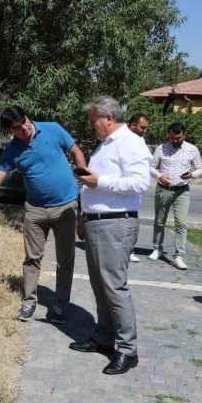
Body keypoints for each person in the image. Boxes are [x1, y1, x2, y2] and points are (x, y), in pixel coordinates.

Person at [0, 106, 86, 324]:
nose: (24, 128)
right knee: (32, 258)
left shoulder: (52, 129)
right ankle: (29, 301)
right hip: (35, 210)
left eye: (24, 121)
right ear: (10, 131)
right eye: (17, 128)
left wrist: (84, 181)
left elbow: (76, 152)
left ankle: (60, 305)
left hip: (65, 206)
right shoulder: (12, 150)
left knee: (65, 259)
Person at [70, 96, 151, 375]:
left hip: (115, 224)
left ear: (108, 118)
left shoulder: (131, 142)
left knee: (114, 287)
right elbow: (94, 184)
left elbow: (140, 183)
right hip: (97, 222)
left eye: (93, 120)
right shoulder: (106, 144)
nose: (91, 125)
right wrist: (84, 214)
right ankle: (104, 337)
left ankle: (128, 350)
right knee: (100, 286)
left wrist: (99, 181)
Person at [148, 122, 202, 270]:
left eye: (178, 138)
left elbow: (200, 168)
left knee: (181, 223)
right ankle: (157, 248)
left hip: (182, 191)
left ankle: (179, 256)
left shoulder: (192, 149)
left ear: (184, 135)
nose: (174, 140)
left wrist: (191, 174)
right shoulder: (161, 148)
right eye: (172, 137)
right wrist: (159, 176)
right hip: (163, 189)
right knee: (159, 221)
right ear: (168, 134)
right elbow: (150, 167)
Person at [126, 112, 151, 262]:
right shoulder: (122, 139)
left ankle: (129, 249)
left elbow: (148, 162)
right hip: (125, 187)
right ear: (133, 124)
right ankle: (126, 251)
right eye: (142, 127)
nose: (144, 131)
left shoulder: (140, 140)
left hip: (135, 191)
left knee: (132, 222)